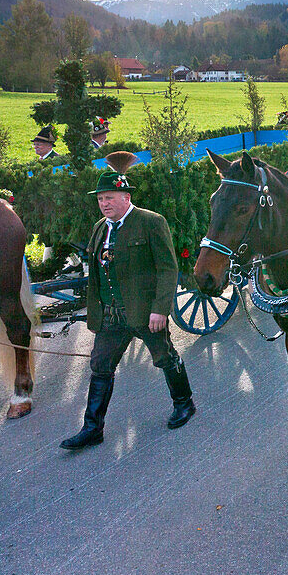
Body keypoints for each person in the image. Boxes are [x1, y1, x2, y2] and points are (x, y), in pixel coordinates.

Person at [61, 156, 195, 450]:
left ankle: (184, 404)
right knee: (100, 366)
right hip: (111, 317)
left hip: (145, 314)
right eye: (100, 199)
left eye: (109, 198)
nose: (104, 204)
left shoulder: (150, 222)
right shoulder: (101, 228)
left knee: (164, 357)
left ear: (126, 197)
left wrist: (160, 309)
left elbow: (167, 268)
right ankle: (92, 428)